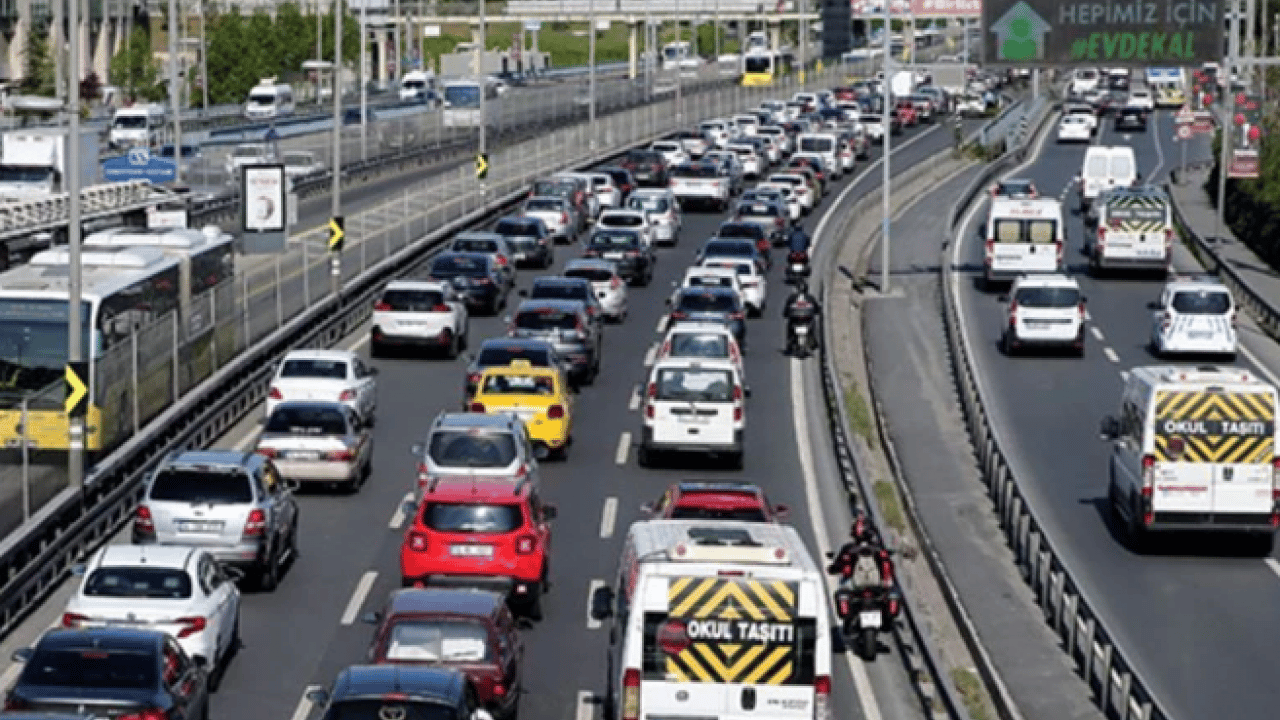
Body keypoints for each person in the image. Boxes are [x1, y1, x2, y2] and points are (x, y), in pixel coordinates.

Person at [782, 279, 821, 353]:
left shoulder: (792, 298)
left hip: (802, 322)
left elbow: (786, 310)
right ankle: (811, 342)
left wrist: (786, 314)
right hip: (799, 322)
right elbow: (816, 309)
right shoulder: (810, 298)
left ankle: (810, 341)